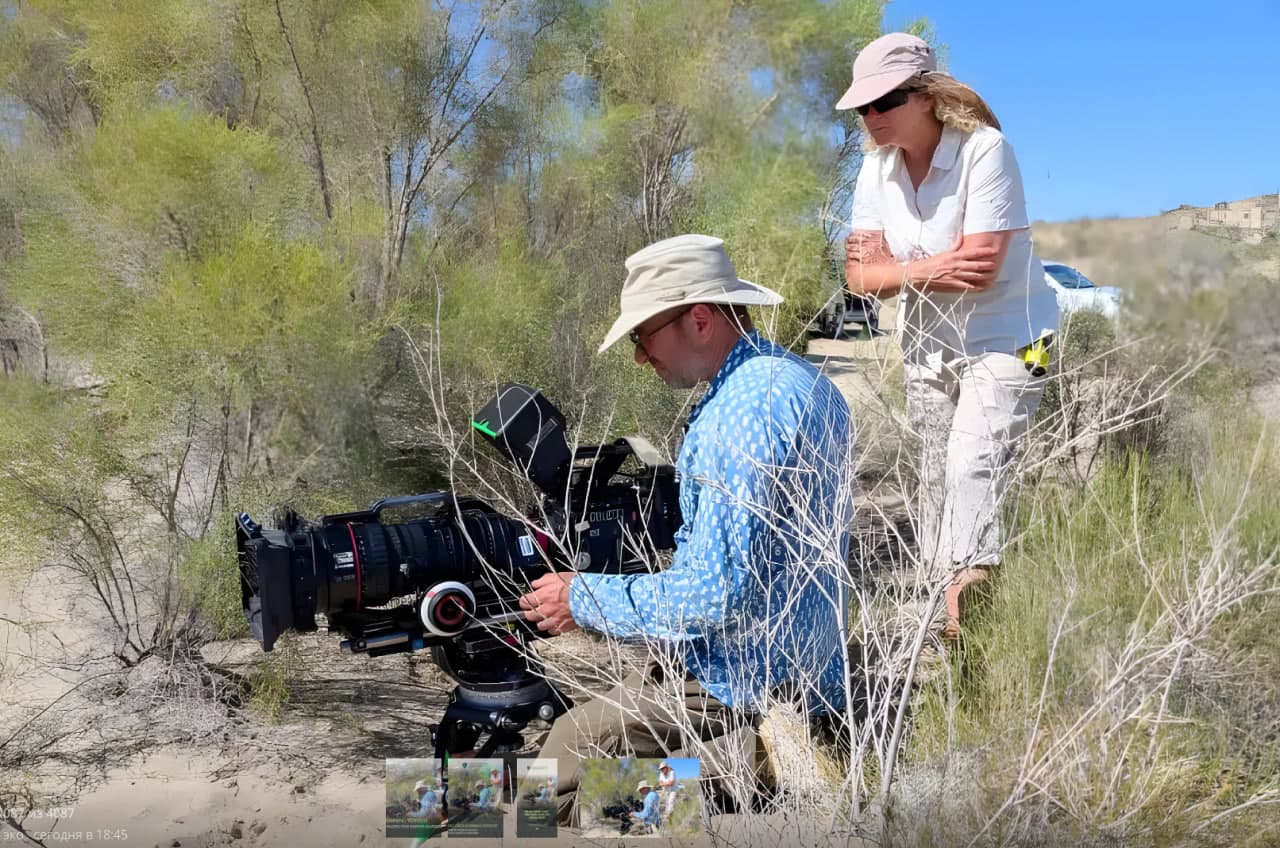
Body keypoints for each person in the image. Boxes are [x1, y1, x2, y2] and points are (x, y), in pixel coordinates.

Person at [519, 234, 855, 820]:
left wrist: (583, 596)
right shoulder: (806, 381)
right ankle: (755, 755)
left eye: (643, 338)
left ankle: (750, 766)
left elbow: (714, 594)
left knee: (551, 788)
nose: (640, 358)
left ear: (699, 319)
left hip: (745, 675)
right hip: (812, 661)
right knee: (577, 742)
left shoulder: (736, 420)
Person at [835, 33, 1058, 638]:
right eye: (864, 107)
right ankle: (947, 612)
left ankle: (973, 618)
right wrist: (933, 267)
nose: (872, 117)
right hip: (928, 347)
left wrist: (898, 271)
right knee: (935, 476)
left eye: (886, 102)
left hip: (1015, 336)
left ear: (926, 96)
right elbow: (858, 278)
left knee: (970, 464)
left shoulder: (985, 152)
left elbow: (981, 267)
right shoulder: (875, 169)